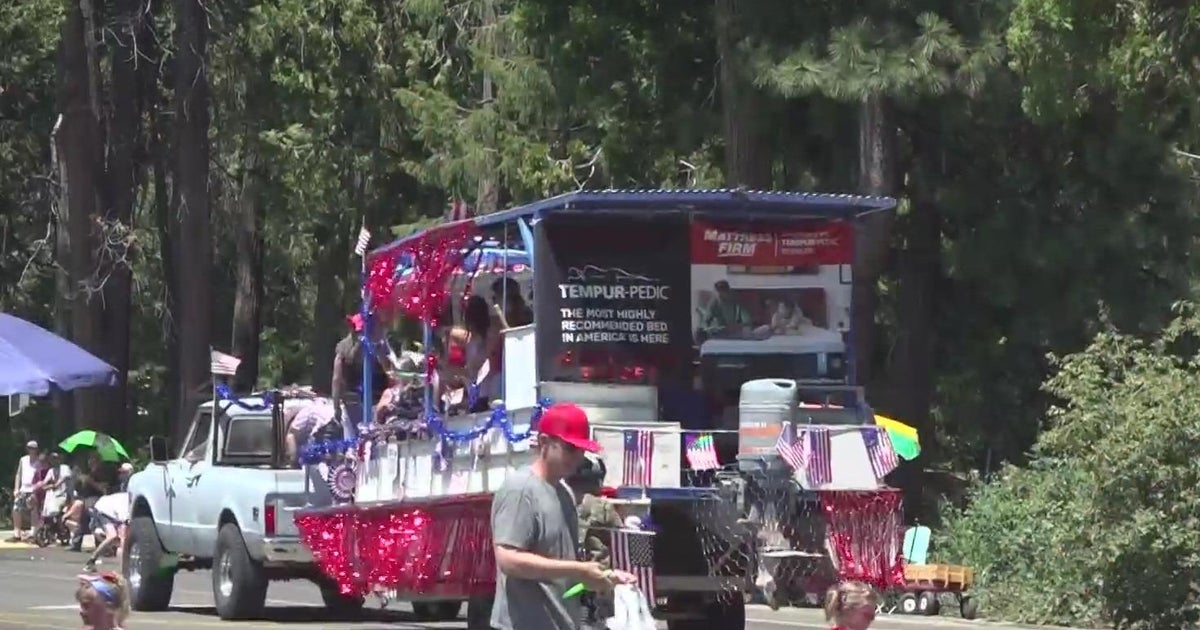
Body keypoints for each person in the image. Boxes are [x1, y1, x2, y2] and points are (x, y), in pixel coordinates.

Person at [490, 403, 637, 630]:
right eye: (569, 448)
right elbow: (508, 559)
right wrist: (577, 570)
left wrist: (602, 576)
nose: (577, 457)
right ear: (544, 443)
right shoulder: (520, 489)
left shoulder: (564, 492)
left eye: (581, 450)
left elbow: (562, 562)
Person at [331, 313, 394, 438]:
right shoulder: (344, 348)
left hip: (375, 401)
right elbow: (337, 378)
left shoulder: (379, 346)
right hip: (353, 402)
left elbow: (390, 372)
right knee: (356, 440)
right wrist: (336, 405)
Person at [67, 456, 114, 552]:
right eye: (90, 462)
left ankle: (101, 546)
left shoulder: (102, 474)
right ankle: (76, 543)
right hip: (86, 500)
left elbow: (104, 489)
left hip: (97, 500)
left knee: (96, 523)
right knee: (82, 522)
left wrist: (91, 482)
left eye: (93, 462)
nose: (91, 464)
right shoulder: (88, 473)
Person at [85, 490, 129, 572]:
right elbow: (124, 520)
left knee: (119, 538)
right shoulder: (125, 507)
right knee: (114, 536)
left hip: (110, 509)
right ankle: (123, 569)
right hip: (103, 510)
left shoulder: (129, 499)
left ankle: (92, 560)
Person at [10, 440, 40, 542]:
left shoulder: (39, 462)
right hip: (23, 488)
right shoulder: (23, 460)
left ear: (36, 450)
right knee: (16, 508)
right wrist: (16, 488)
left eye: (33, 448)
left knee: (33, 510)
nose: (32, 450)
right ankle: (16, 532)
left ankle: (33, 533)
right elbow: (18, 474)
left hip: (33, 489)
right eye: (30, 448)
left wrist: (37, 490)